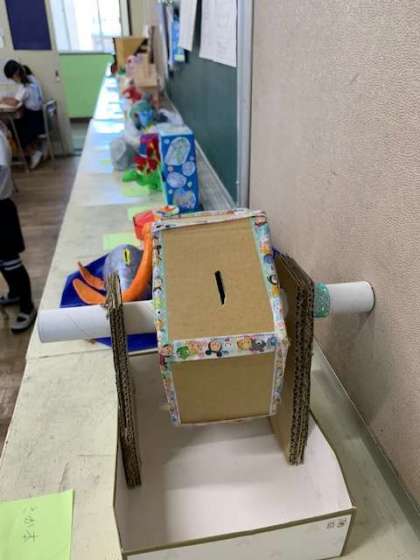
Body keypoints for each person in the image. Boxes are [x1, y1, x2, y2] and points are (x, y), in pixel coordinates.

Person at [0, 122, 36, 333]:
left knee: (11, 261)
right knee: (2, 260)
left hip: (1, 211)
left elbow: (2, 168)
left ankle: (27, 306)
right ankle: (14, 292)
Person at [0, 60, 45, 169]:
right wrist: (8, 99)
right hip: (39, 116)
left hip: (34, 121)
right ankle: (34, 150)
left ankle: (33, 153)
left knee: (12, 128)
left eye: (12, 78)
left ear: (15, 74)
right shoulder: (32, 78)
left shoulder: (25, 86)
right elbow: (19, 99)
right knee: (16, 122)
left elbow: (15, 102)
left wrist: (3, 99)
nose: (13, 80)